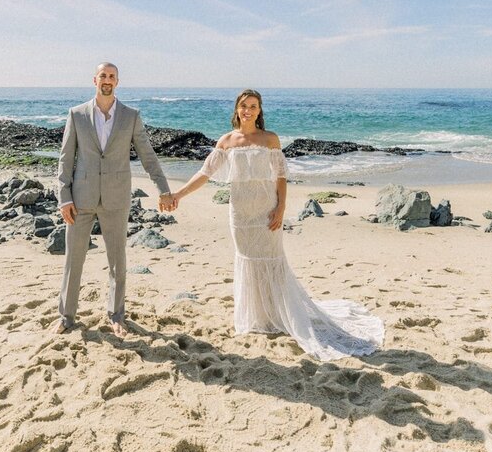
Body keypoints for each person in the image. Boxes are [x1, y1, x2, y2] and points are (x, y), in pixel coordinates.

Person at [170, 89, 384, 360]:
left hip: (266, 209)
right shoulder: (226, 141)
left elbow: (280, 177)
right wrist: (178, 195)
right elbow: (204, 173)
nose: (248, 110)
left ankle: (281, 314)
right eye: (244, 106)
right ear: (237, 109)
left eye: (253, 106)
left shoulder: (270, 139)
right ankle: (259, 318)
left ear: (259, 111)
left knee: (272, 259)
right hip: (240, 213)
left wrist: (281, 207)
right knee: (248, 259)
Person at [55, 62, 175, 336]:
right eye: (103, 76)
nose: (107, 80)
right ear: (94, 80)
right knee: (73, 260)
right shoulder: (77, 115)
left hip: (117, 198)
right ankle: (66, 317)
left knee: (117, 261)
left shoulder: (130, 116)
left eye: (111, 76)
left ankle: (116, 315)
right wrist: (64, 197)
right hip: (80, 199)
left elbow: (147, 156)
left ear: (117, 82)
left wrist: (163, 189)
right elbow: (65, 158)